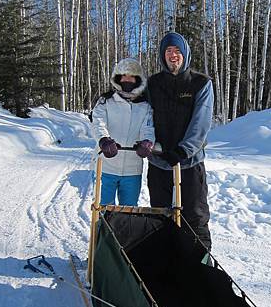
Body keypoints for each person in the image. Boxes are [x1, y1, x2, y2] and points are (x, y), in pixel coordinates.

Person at [147, 31, 213, 250]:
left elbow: (200, 123)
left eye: (177, 51)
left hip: (189, 163)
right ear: (162, 56)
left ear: (185, 54)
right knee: (160, 217)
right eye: (168, 51)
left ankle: (201, 267)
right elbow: (139, 113)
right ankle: (166, 266)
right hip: (159, 162)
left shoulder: (200, 83)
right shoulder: (152, 84)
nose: (173, 55)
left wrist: (183, 151)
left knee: (195, 217)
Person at [91, 58, 154, 206]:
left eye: (131, 76)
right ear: (118, 78)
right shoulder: (105, 101)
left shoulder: (145, 106)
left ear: (137, 80)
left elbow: (148, 127)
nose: (127, 79)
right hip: (106, 166)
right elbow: (98, 122)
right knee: (104, 211)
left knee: (129, 212)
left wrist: (147, 142)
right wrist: (104, 140)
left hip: (133, 169)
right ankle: (102, 230)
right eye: (124, 76)